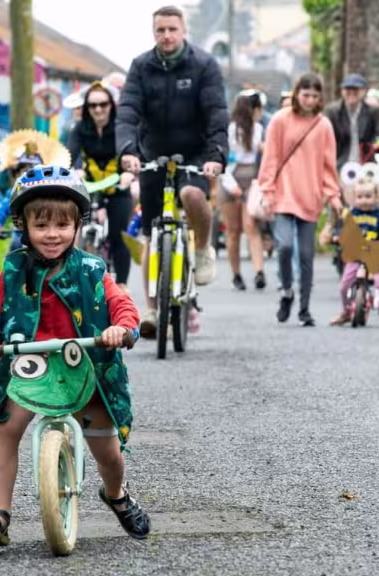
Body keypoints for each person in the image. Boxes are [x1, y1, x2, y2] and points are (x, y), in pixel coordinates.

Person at [0, 166, 151, 546]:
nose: (52, 235)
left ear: (77, 226)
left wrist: (122, 328)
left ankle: (116, 495)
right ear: (24, 226)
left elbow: (122, 305)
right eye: (42, 225)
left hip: (85, 362)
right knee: (7, 428)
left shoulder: (91, 269)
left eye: (62, 225)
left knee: (108, 452)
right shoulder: (14, 270)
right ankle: (0, 514)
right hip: (30, 364)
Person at [116, 5, 229, 337]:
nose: (166, 35)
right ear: (154, 33)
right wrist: (128, 151)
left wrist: (216, 154)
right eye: (160, 30)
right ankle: (152, 308)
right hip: (153, 152)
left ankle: (201, 249)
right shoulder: (140, 66)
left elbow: (217, 113)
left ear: (183, 31)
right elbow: (127, 113)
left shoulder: (204, 65)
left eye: (172, 29)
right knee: (153, 232)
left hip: (194, 153)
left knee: (191, 194)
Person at [258, 73, 343, 327]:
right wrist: (266, 189)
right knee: (284, 246)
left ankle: (304, 309)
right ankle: (286, 291)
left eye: (315, 96)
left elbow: (328, 165)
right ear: (297, 94)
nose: (310, 100)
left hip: (311, 194)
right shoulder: (280, 120)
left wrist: (333, 194)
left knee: (306, 255)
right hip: (283, 192)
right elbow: (271, 157)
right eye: (306, 95)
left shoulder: (323, 125)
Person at [66, 82, 135, 289]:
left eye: (103, 104)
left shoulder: (122, 127)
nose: (98, 110)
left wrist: (129, 174)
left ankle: (122, 285)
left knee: (118, 235)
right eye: (92, 105)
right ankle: (74, 276)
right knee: (72, 226)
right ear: (86, 108)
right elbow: (71, 154)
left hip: (118, 186)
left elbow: (131, 150)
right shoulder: (80, 129)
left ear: (111, 106)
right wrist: (74, 170)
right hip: (90, 185)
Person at [330, 177, 379, 327]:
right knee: (344, 285)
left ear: (376, 198)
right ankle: (345, 311)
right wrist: (338, 236)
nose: (364, 200)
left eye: (368, 196)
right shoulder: (352, 215)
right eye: (360, 197)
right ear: (355, 198)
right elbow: (342, 228)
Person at [221, 92, 266, 291]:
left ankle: (259, 271)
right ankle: (236, 274)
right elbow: (226, 161)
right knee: (233, 231)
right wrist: (232, 185)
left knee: (251, 226)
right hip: (231, 178)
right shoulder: (230, 131)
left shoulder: (258, 129)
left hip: (251, 179)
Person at [325, 73, 379, 169]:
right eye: (347, 90)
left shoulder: (372, 111)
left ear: (363, 92)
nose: (351, 93)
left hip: (365, 165)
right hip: (340, 164)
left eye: (356, 90)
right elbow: (325, 136)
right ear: (342, 91)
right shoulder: (333, 111)